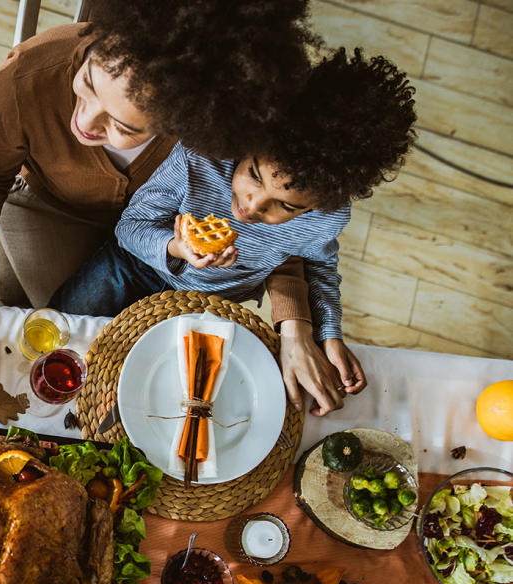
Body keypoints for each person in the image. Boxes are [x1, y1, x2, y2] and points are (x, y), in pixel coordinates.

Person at [0, 1, 360, 414]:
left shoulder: (220, 141)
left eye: (123, 126)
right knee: (53, 332)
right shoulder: (28, 76)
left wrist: (301, 326)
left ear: (189, 125)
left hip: (162, 248)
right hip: (54, 207)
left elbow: (284, 243)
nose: (84, 123)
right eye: (89, 83)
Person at [51, 49, 417, 413]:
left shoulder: (326, 218)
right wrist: (176, 248)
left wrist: (328, 333)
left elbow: (318, 268)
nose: (253, 206)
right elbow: (130, 227)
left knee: (159, 393)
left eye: (286, 206)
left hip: (213, 307)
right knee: (62, 333)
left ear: (319, 205)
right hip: (133, 269)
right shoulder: (201, 158)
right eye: (254, 175)